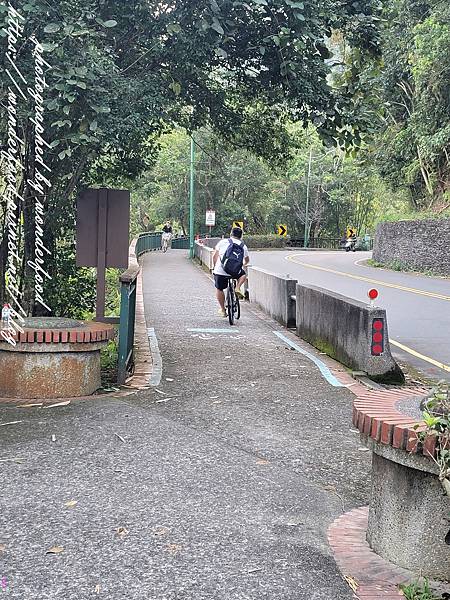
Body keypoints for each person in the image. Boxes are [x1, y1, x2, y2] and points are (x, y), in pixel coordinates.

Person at [213, 227, 250, 317]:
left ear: (231, 234)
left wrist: (215, 267)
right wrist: (242, 265)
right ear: (241, 236)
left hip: (220, 270)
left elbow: (214, 256)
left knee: (219, 289)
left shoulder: (223, 242)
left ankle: (223, 310)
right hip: (235, 271)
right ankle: (237, 287)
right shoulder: (243, 246)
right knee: (243, 275)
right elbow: (247, 260)